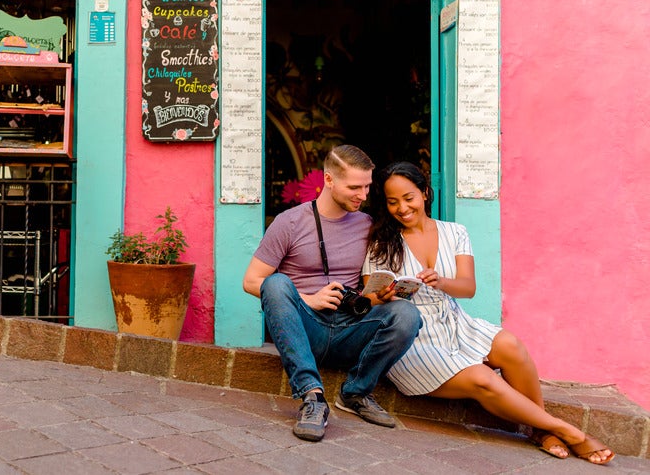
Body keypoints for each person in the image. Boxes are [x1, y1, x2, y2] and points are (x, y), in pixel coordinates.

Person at [364, 161, 615, 465]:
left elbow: (468, 288)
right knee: (484, 380)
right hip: (411, 340)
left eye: (409, 198)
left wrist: (442, 281)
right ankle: (568, 432)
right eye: (392, 202)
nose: (402, 208)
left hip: (454, 322)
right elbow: (370, 300)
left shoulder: (455, 232)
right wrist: (384, 295)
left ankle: (540, 432)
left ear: (425, 193)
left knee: (512, 346)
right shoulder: (382, 242)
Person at [242, 145, 422, 442]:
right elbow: (251, 281)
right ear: (328, 180)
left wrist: (383, 293)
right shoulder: (290, 222)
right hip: (306, 327)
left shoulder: (366, 225)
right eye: (354, 187)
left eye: (366, 187)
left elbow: (370, 289)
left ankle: (356, 392)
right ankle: (312, 399)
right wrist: (307, 299)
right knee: (275, 283)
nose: (363, 196)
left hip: (349, 326)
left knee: (406, 314)